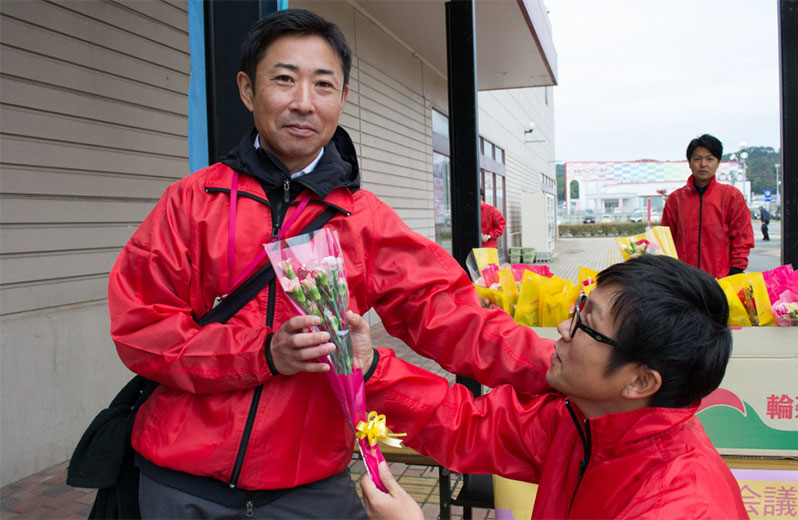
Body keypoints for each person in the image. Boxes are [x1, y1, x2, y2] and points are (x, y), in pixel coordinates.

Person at [107, 9, 553, 518]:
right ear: (248, 90)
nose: (303, 103)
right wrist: (263, 353)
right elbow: (141, 330)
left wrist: (563, 367)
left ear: (341, 99)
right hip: (180, 486)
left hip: (309, 490)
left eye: (323, 85)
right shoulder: (191, 202)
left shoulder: (366, 221)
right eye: (283, 80)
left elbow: (455, 317)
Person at [352, 255, 749, 519]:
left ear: (640, 381)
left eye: (586, 324)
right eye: (579, 308)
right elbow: (469, 425)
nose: (563, 328)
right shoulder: (584, 421)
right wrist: (370, 369)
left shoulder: (680, 506)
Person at [661, 134, 754, 278]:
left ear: (717, 162)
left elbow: (742, 237)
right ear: (689, 163)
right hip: (683, 279)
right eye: (697, 159)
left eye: (710, 159)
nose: (703, 164)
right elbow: (666, 240)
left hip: (721, 277)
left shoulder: (731, 196)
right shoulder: (675, 200)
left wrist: (736, 270)